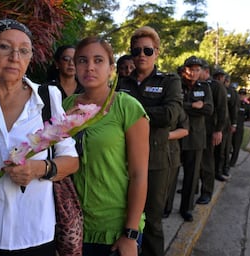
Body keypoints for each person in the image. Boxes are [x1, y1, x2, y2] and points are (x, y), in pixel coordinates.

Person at [0, 19, 79, 256]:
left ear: (30, 58)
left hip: (35, 233)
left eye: (24, 50)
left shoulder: (48, 99)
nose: (14, 56)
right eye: (5, 47)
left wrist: (38, 169)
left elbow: (71, 159)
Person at [63, 36, 149, 256]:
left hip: (114, 228)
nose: (89, 67)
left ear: (112, 68)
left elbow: (139, 174)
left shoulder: (127, 107)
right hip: (72, 223)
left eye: (98, 60)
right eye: (82, 60)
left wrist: (130, 234)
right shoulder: (64, 107)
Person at [116, 26, 183, 256]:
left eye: (147, 50)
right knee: (126, 217)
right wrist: (150, 112)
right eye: (136, 51)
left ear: (157, 52)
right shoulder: (122, 83)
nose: (141, 55)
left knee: (152, 222)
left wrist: (133, 111)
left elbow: (170, 115)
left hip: (155, 161)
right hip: (123, 160)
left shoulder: (169, 81)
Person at [180, 56, 213, 222]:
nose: (193, 72)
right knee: (170, 177)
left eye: (197, 69)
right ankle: (166, 206)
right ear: (184, 69)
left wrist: (186, 108)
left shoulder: (205, 87)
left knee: (191, 176)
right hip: (177, 135)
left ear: (200, 71)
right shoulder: (176, 85)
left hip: (195, 137)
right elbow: (175, 106)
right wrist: (193, 105)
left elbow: (208, 109)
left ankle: (186, 208)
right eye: (190, 69)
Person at [196, 59, 228, 205]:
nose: (195, 73)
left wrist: (218, 130)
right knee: (195, 162)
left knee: (207, 162)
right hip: (196, 130)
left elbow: (222, 110)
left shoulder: (216, 87)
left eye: (198, 70)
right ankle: (192, 188)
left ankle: (207, 192)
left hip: (209, 130)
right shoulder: (195, 85)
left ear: (206, 71)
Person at [163, 107, 189, 218]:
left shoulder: (176, 106)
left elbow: (184, 129)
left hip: (171, 149)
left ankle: (166, 208)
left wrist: (164, 136)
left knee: (169, 183)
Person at [213, 71, 239, 180]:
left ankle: (223, 170)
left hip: (226, 124)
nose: (220, 79)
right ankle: (214, 170)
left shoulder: (230, 92)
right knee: (215, 150)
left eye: (222, 77)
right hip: (214, 123)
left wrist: (234, 123)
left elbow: (234, 108)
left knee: (223, 150)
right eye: (218, 77)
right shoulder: (213, 87)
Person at [230, 89, 250, 165]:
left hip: (239, 127)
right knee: (227, 146)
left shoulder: (247, 105)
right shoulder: (233, 102)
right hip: (230, 126)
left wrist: (243, 120)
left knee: (236, 146)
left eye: (243, 94)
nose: (241, 95)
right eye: (240, 94)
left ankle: (232, 162)